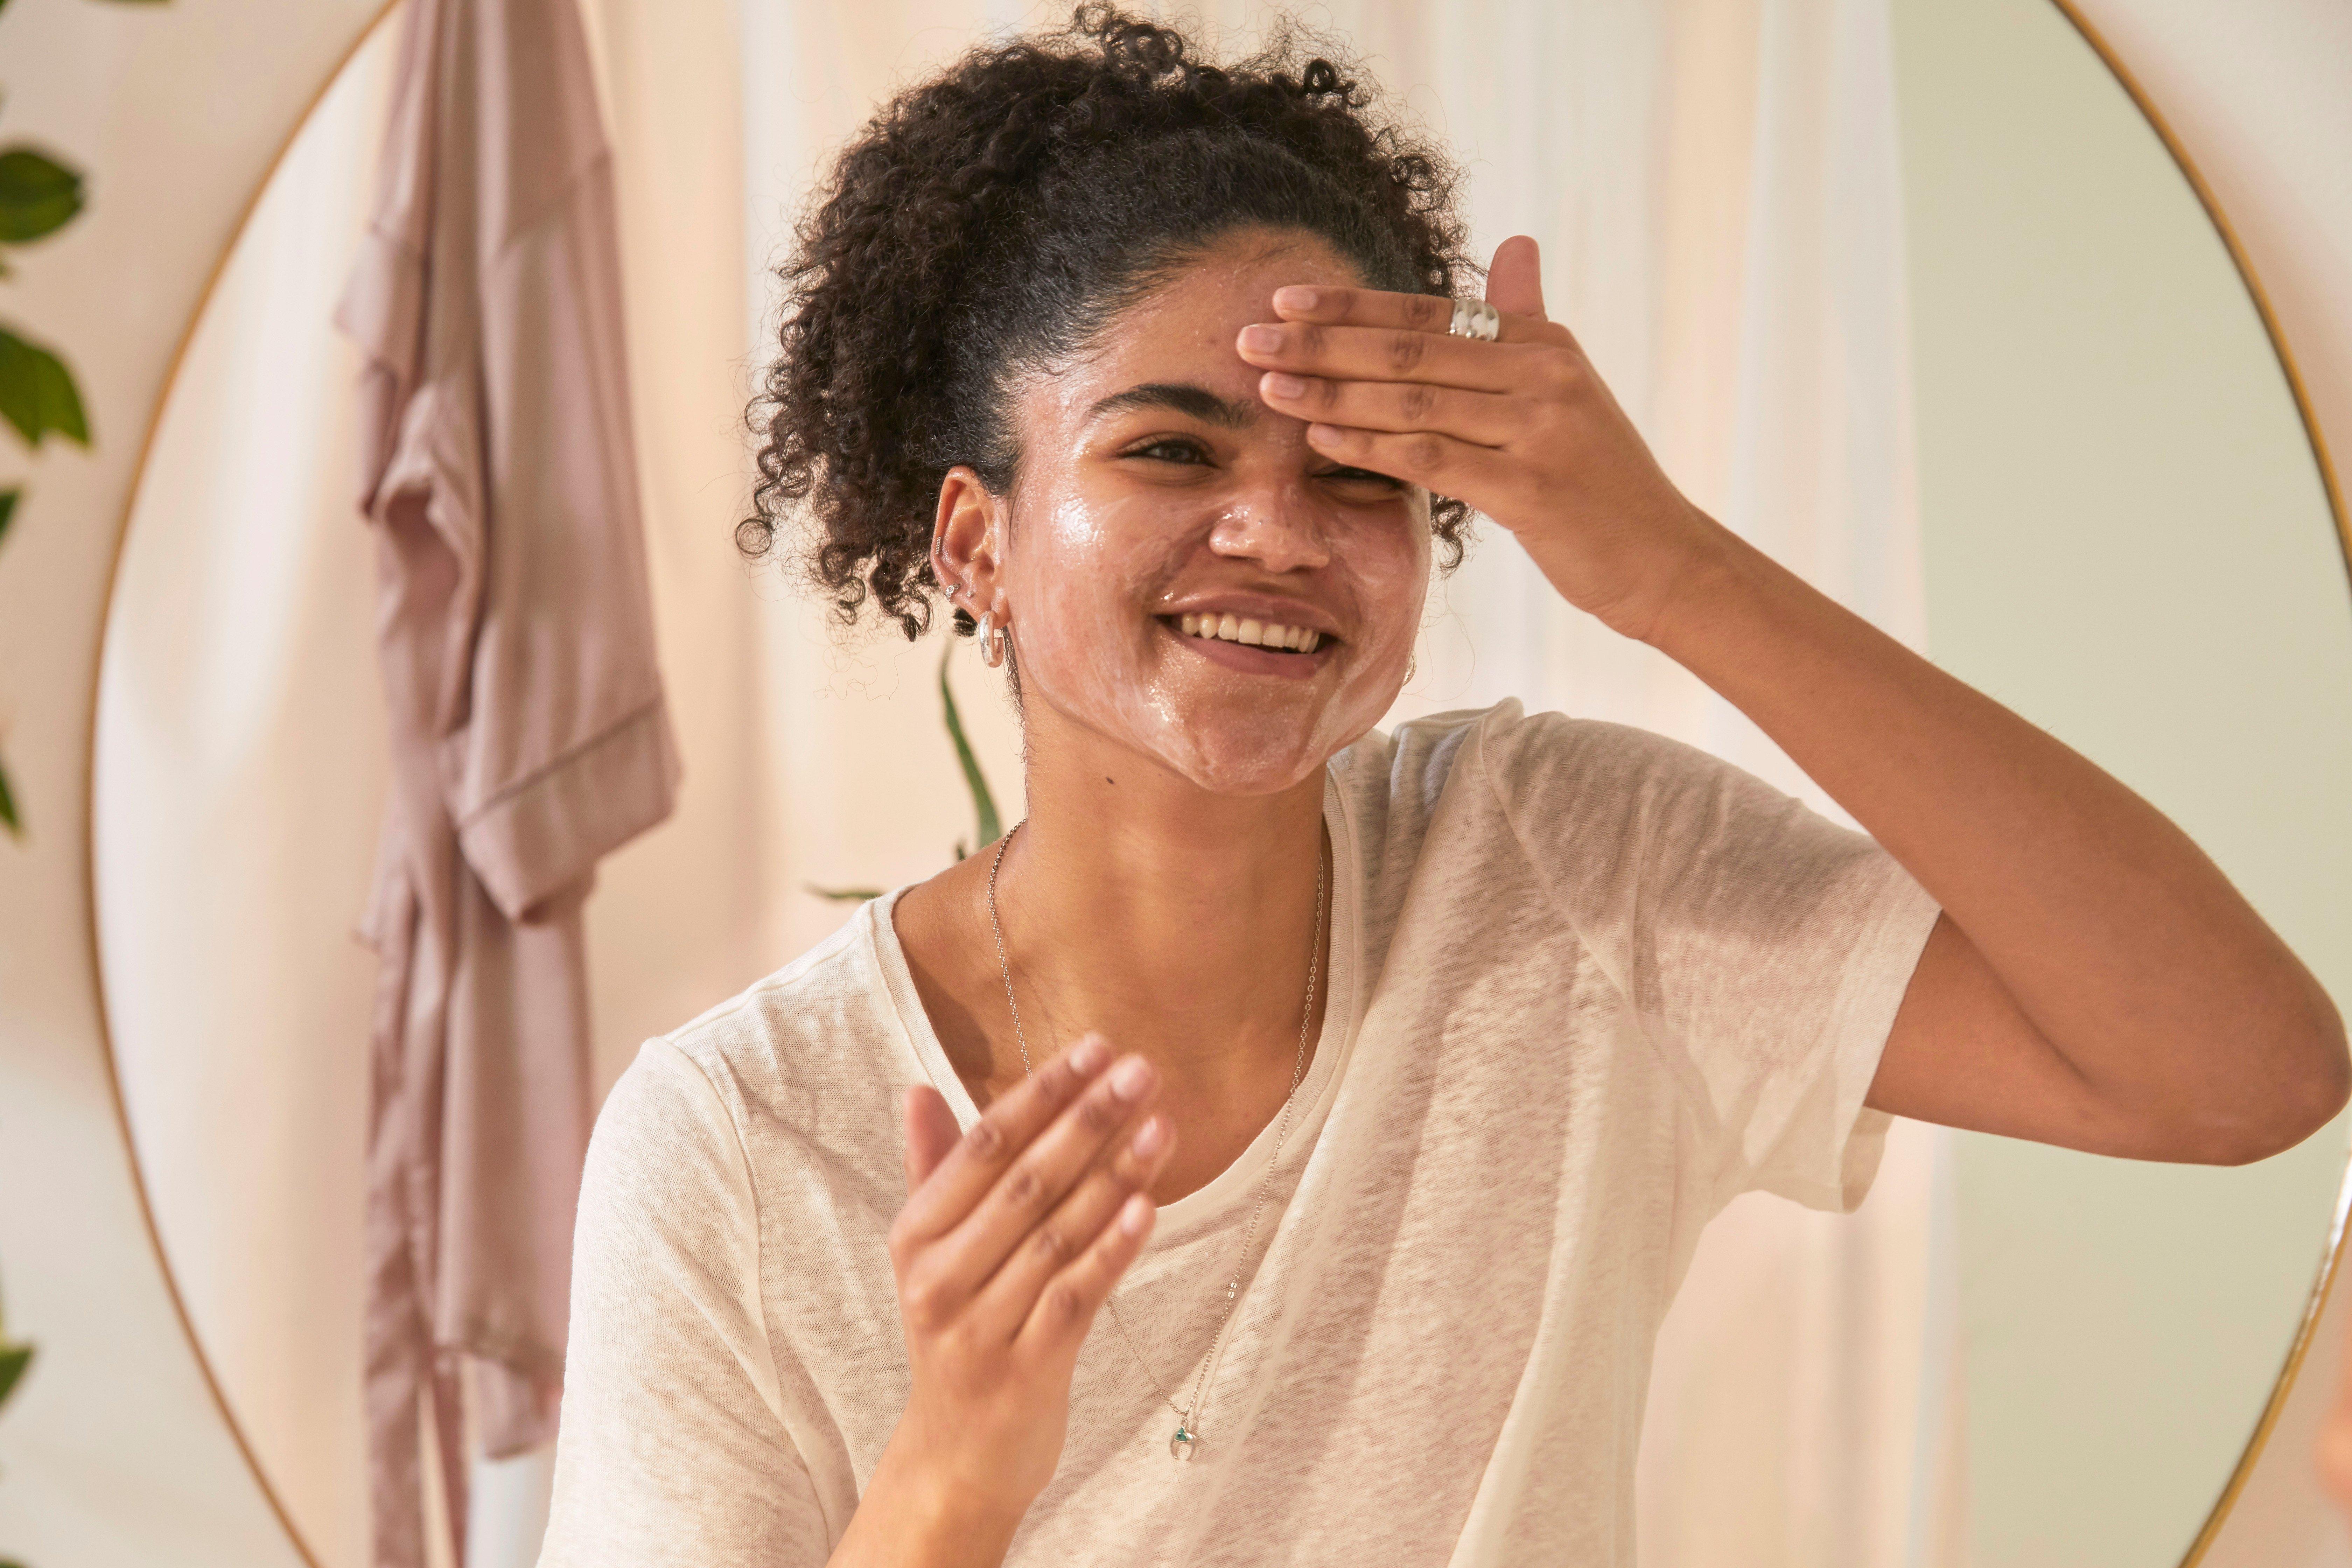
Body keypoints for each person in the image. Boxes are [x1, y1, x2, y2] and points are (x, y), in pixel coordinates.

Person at [535, 8, 2349, 1565]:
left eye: (1363, 478)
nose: (1278, 532)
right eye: (1171, 446)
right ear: (979, 542)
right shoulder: (740, 1152)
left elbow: (2239, 1075)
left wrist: (1667, 570)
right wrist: (951, 1475)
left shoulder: (1567, 869)